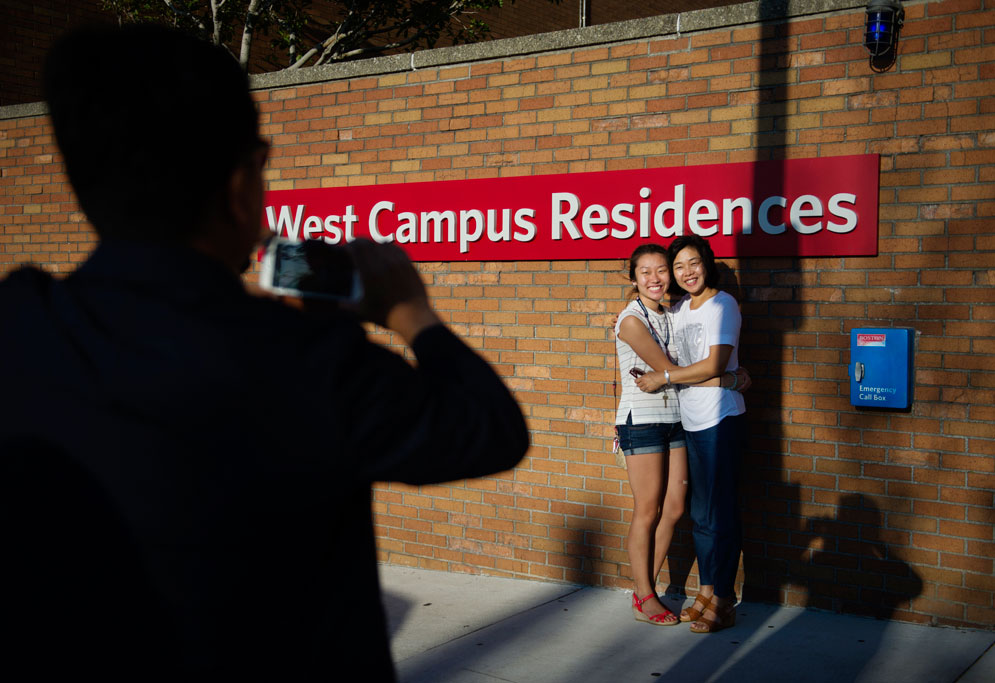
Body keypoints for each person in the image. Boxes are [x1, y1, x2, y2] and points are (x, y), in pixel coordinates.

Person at [0, 24, 528, 681]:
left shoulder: (21, 320)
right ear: (240, 184)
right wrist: (408, 309)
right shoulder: (309, 359)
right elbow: (490, 429)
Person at [614, 244, 745, 627]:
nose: (655, 279)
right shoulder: (632, 321)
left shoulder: (674, 313)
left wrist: (728, 375)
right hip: (643, 422)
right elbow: (669, 368)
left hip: (678, 420)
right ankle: (644, 595)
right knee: (648, 509)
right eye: (645, 272)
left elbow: (685, 369)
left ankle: (648, 589)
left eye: (661, 271)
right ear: (633, 278)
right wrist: (731, 377)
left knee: (674, 508)